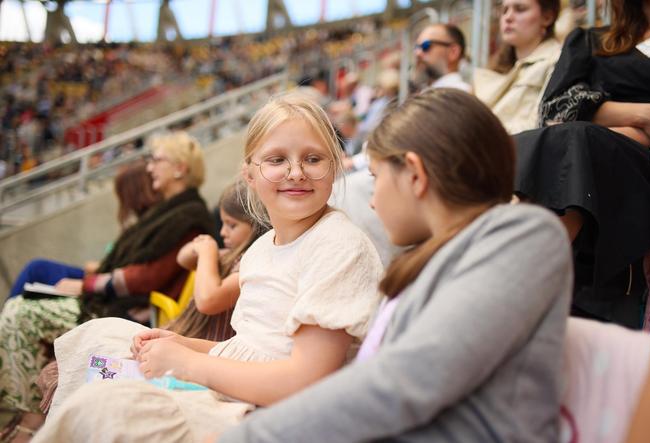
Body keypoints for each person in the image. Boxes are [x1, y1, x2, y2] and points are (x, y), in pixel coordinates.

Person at [210, 88, 573, 442]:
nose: (371, 202)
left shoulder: (524, 235)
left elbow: (404, 382)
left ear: (414, 174)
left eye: (376, 179)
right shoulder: (437, 257)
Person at [32, 91, 384, 443]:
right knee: (100, 336)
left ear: (335, 166)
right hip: (240, 390)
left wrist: (187, 363)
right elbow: (247, 349)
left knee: (108, 407)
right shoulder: (261, 249)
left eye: (313, 158)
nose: (296, 172)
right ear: (250, 174)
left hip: (272, 415)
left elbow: (303, 381)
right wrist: (182, 343)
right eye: (277, 159)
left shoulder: (339, 246)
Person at [0, 131, 215, 440]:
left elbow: (149, 277)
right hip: (120, 303)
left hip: (135, 314)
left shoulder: (188, 216)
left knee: (19, 313)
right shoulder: (171, 210)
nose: (150, 167)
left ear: (180, 169)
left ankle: (31, 419)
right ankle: (30, 412)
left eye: (157, 160)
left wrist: (87, 284)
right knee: (20, 307)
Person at [514, 0, 650, 328]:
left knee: (574, 142)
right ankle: (513, 269)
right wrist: (646, 114)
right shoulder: (590, 39)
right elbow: (554, 109)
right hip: (587, 150)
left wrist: (614, 126)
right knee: (532, 143)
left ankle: (519, 280)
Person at [5, 160, 161, 299]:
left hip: (108, 291)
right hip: (105, 279)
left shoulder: (153, 226)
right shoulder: (144, 224)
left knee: (36, 272)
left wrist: (87, 282)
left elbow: (131, 276)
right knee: (37, 269)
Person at [169, 178, 267, 341]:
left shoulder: (252, 265)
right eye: (222, 223)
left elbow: (209, 300)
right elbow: (182, 258)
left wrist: (207, 252)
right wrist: (201, 248)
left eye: (231, 225)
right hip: (190, 337)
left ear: (257, 225)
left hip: (211, 348)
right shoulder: (229, 255)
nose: (222, 232)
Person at [473, 0, 561, 134]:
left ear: (547, 17)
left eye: (520, 9)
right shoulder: (494, 68)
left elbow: (541, 125)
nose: (508, 17)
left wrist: (477, 131)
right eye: (504, 11)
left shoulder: (558, 60)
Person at [412, 23, 472, 93]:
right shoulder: (432, 91)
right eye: (416, 47)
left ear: (453, 52)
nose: (417, 53)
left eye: (426, 45)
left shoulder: (458, 94)